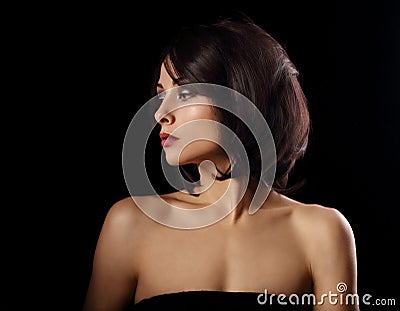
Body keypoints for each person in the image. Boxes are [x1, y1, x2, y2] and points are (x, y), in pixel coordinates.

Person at [83, 14, 359, 310]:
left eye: (185, 92)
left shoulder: (322, 232)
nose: (159, 113)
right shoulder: (130, 224)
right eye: (161, 94)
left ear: (241, 95)